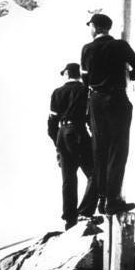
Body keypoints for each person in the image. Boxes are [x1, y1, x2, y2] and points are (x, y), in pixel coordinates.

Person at [80, 13, 135, 216]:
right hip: (117, 100)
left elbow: (85, 80)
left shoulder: (87, 49)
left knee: (100, 149)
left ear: (96, 27)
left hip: (96, 102)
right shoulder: (120, 46)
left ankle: (101, 198)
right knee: (118, 149)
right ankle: (113, 199)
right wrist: (125, 77)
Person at [47, 63, 97, 229]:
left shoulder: (57, 93)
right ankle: (84, 212)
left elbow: (51, 124)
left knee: (68, 178)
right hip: (79, 132)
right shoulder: (85, 90)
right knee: (95, 173)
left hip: (62, 133)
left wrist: (58, 144)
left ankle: (70, 219)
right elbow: (91, 118)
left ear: (67, 73)